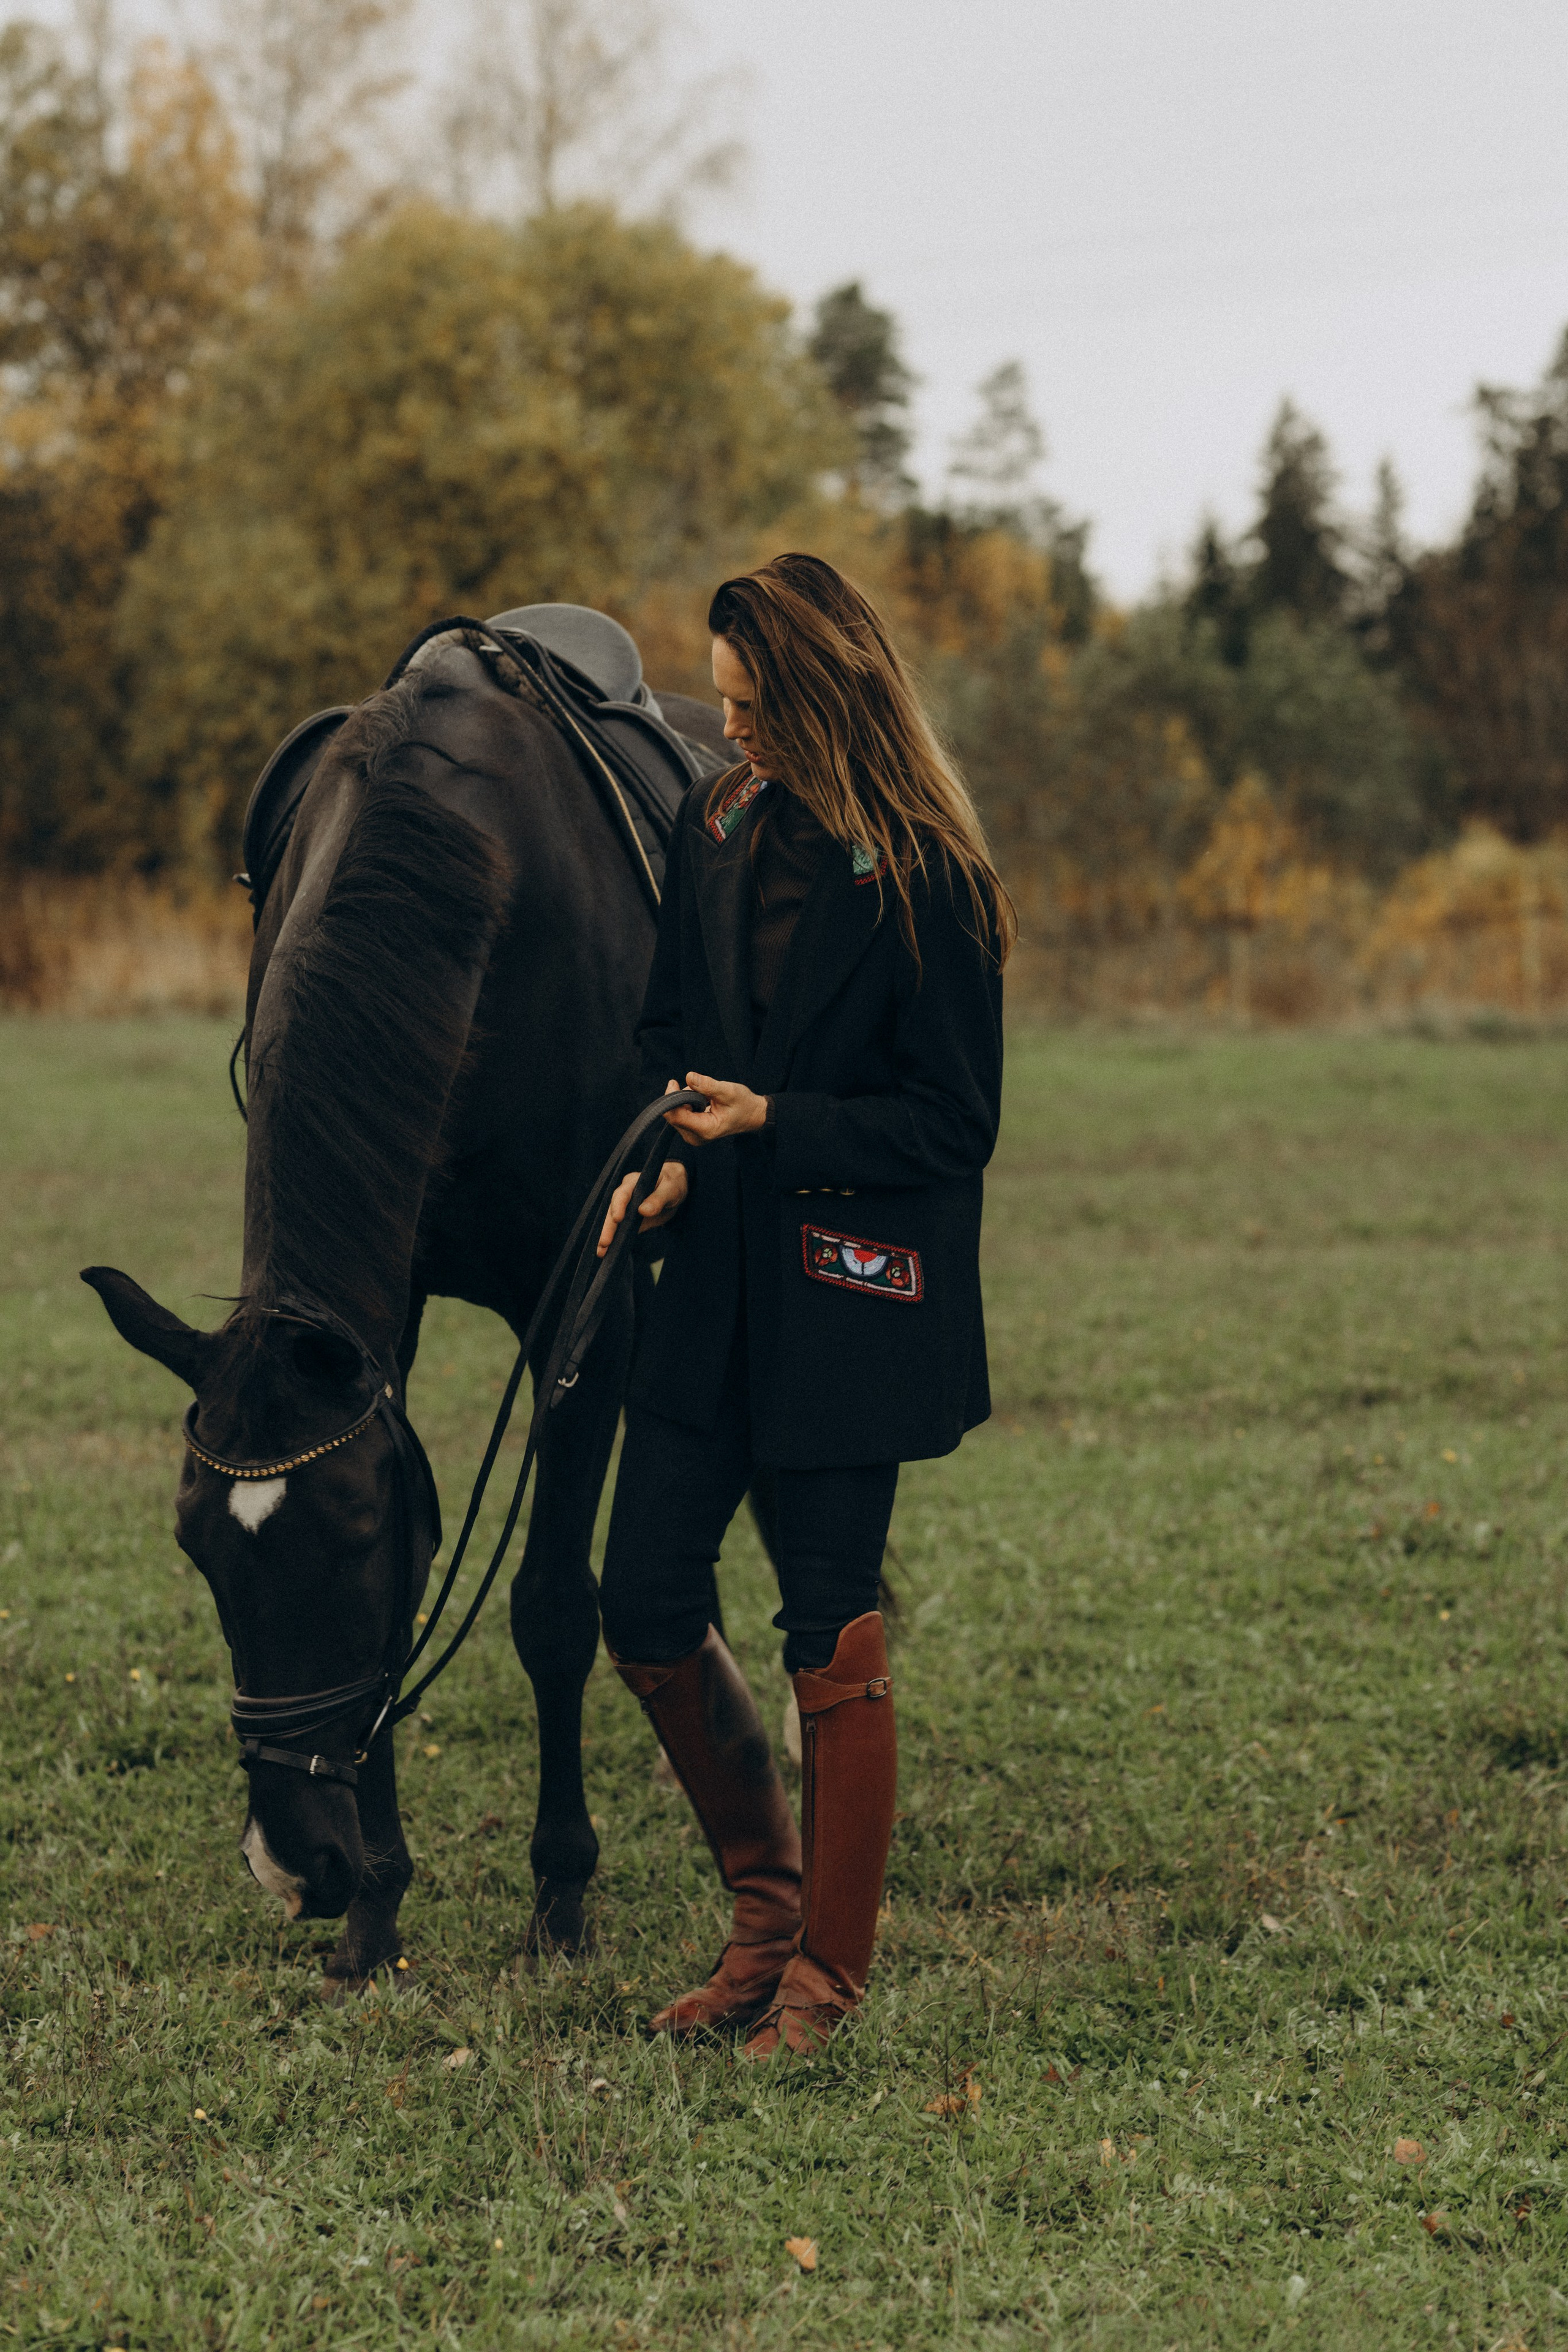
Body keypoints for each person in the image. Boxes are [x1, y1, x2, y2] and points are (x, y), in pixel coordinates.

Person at [595, 552, 1011, 2059]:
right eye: (720, 703)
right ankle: (759, 1921)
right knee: (639, 1592)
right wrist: (669, 1167)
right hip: (707, 1290)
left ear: (828, 701)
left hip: (849, 1304)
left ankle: (825, 1979)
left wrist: (781, 1125)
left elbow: (949, 1124)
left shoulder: (927, 877)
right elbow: (668, 1035)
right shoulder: (710, 825)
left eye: (755, 706)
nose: (732, 733)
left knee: (827, 1630)